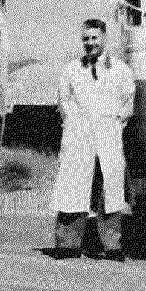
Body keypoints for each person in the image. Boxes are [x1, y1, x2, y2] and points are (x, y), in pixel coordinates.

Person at [49, 18, 135, 261]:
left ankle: (112, 245)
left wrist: (114, 125)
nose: (89, 43)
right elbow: (63, 101)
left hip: (108, 134)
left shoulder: (120, 70)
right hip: (79, 135)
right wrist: (74, 124)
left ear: (104, 38)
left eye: (94, 38)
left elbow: (128, 103)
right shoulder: (71, 70)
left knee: (110, 190)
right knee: (74, 186)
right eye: (85, 39)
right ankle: (67, 244)